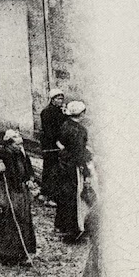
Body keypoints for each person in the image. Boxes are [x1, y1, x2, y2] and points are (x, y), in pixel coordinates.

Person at [0, 134, 37, 266]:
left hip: (20, 192)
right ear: (9, 144)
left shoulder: (22, 155)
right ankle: (6, 254)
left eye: (21, 144)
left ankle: (22, 253)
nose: (20, 147)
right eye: (17, 144)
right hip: (4, 192)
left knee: (23, 220)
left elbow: (28, 171)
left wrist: (30, 180)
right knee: (6, 220)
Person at [54, 100, 94, 243]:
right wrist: (86, 172)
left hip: (64, 164)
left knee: (65, 195)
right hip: (74, 167)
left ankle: (63, 227)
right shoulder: (79, 130)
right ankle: (74, 231)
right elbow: (79, 153)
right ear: (81, 113)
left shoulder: (65, 125)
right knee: (76, 197)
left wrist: (64, 151)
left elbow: (59, 143)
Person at [39, 88, 67, 203]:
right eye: (58, 98)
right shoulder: (47, 112)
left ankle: (52, 194)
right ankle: (47, 195)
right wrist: (57, 142)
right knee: (50, 169)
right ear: (52, 100)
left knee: (57, 170)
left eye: (61, 99)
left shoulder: (59, 111)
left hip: (58, 145)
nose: (60, 101)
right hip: (50, 145)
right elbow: (49, 131)